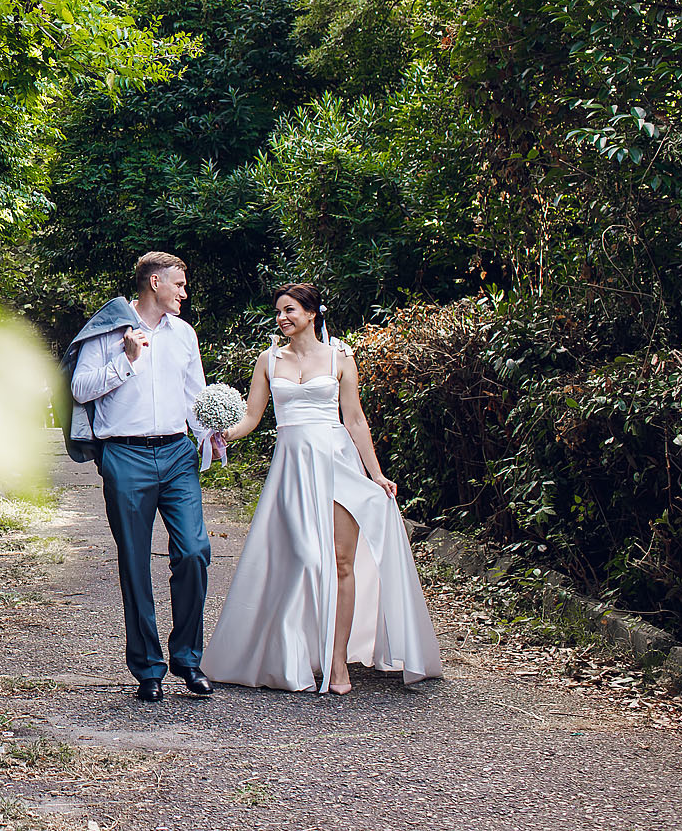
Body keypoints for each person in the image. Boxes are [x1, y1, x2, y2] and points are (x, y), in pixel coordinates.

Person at [203, 283, 444, 694]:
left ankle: (336, 662)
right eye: (278, 311)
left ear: (312, 313)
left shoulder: (340, 357)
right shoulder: (268, 360)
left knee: (341, 562)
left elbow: (355, 420)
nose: (282, 318)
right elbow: (252, 417)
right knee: (304, 557)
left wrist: (377, 474)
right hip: (292, 468)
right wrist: (224, 433)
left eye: (290, 310)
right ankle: (291, 654)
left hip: (337, 463)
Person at [62, 252, 225, 702]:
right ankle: (148, 668)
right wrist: (127, 360)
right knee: (134, 563)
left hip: (176, 453)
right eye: (179, 285)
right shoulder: (110, 330)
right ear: (155, 283)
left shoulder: (184, 334)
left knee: (194, 551)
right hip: (125, 455)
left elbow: (196, 395)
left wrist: (214, 428)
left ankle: (187, 659)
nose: (184, 294)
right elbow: (79, 388)